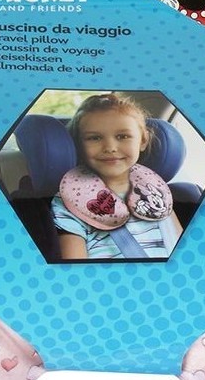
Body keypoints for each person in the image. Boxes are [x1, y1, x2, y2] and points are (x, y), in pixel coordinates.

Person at [51, 94, 184, 261]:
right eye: (94, 138)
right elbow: (74, 267)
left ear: (143, 141)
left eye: (123, 136)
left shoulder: (155, 189)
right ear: (78, 145)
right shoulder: (70, 199)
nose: (110, 147)